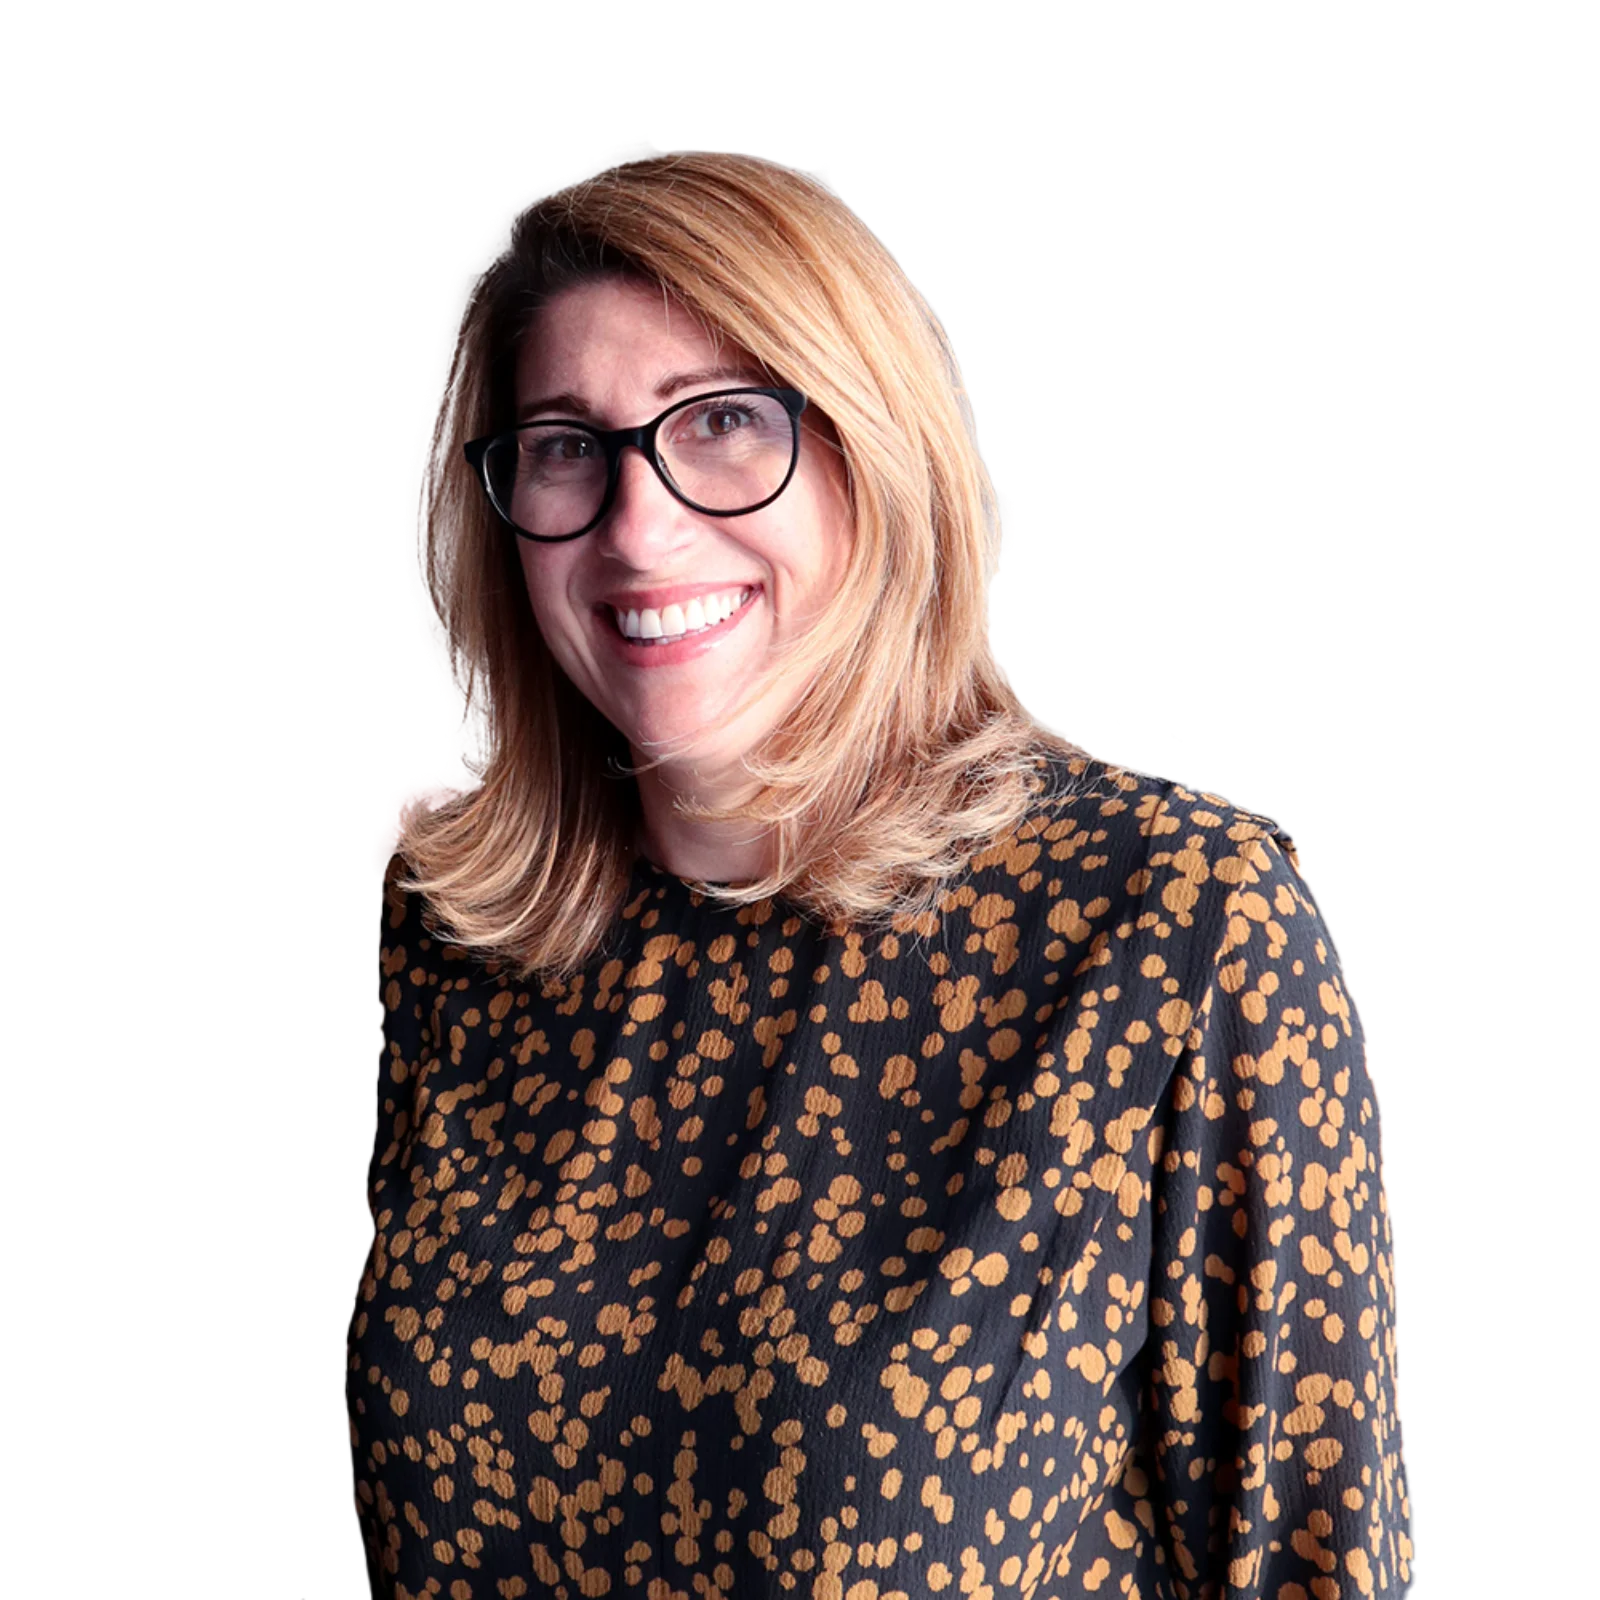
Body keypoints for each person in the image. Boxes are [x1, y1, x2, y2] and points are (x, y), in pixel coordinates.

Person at [351, 147, 1412, 1595]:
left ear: (875, 447)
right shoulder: (448, 929)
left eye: (723, 423)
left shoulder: (1173, 921)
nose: (637, 526)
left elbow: (1312, 1556)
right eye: (563, 445)